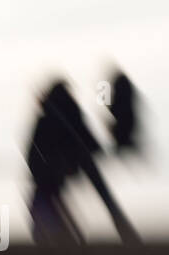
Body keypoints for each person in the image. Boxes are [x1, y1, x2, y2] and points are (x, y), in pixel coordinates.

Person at [25, 80, 140, 244]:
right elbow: (91, 146)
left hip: (59, 173)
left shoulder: (64, 117)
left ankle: (116, 230)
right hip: (51, 177)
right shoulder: (66, 117)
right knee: (48, 203)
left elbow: (90, 146)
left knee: (86, 171)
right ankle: (68, 236)